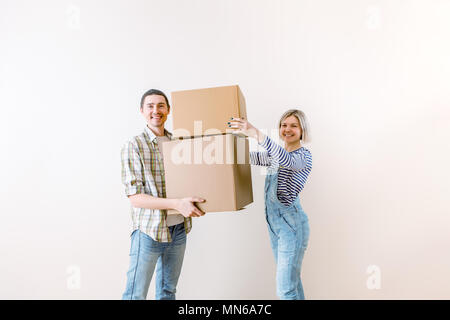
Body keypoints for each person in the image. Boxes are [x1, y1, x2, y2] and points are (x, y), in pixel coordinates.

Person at [121, 89, 206, 300]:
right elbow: (135, 198)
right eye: (150, 106)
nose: (155, 110)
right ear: (142, 111)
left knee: (168, 292)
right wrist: (177, 204)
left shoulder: (179, 142)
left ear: (168, 110)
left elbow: (193, 179)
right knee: (135, 295)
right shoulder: (134, 146)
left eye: (161, 106)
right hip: (148, 232)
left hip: (178, 230)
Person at [228, 109, 312, 300]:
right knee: (292, 284)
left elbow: (286, 160)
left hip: (292, 227)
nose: (287, 129)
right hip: (276, 226)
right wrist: (227, 148)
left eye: (293, 125)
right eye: (284, 125)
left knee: (285, 290)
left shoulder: (303, 157)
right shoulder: (277, 156)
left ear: (302, 130)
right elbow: (250, 158)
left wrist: (255, 133)